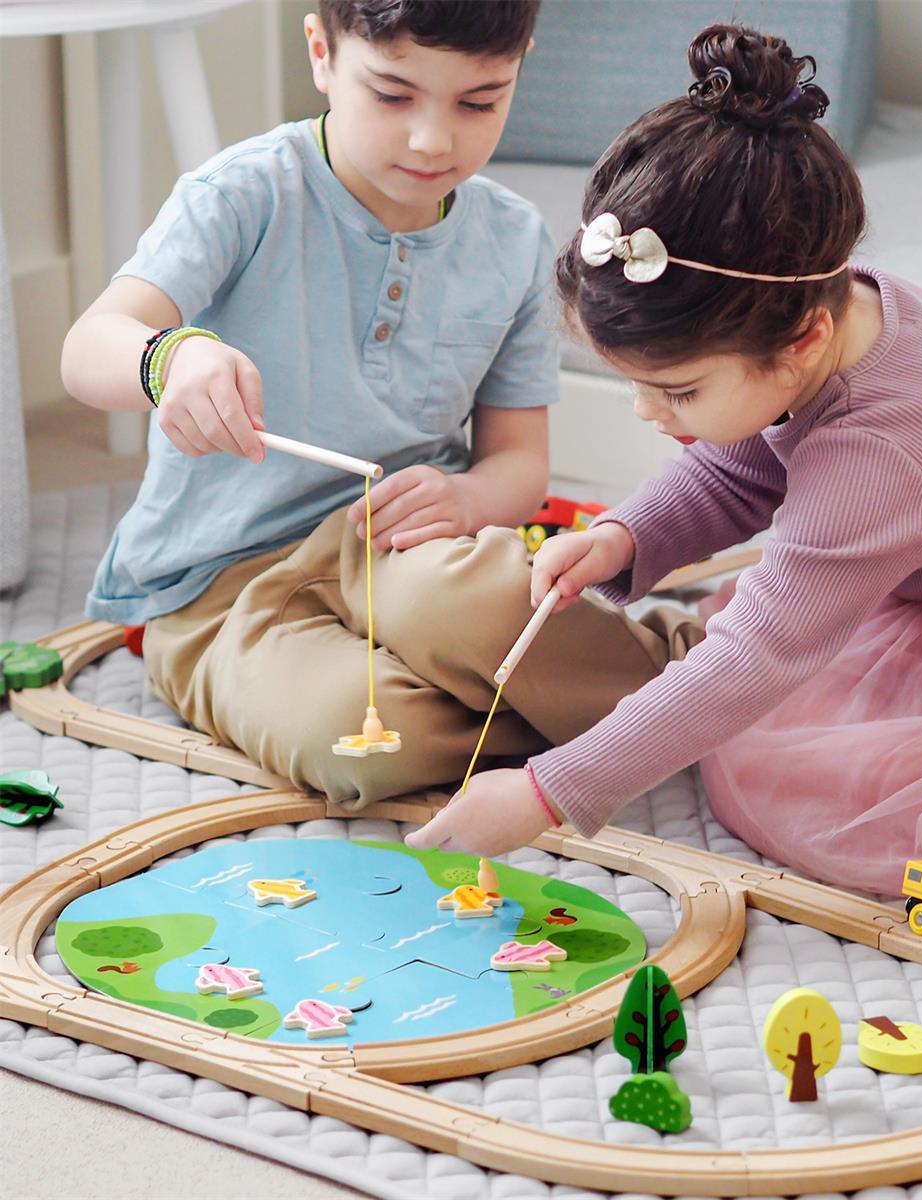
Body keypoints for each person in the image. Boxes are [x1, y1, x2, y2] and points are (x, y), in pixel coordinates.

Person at [406, 23, 922, 918]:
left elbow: (756, 657)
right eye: (638, 385)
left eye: (678, 390)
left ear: (801, 342)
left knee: (821, 792)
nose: (647, 414)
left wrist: (549, 792)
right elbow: (745, 467)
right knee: (772, 718)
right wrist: (625, 536)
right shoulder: (823, 304)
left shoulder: (875, 462)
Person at [58, 0, 563, 804]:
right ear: (321, 51)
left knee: (495, 604)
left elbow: (521, 464)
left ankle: (688, 674)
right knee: (351, 736)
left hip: (406, 558)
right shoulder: (240, 194)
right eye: (392, 95)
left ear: (521, 67)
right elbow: (89, 347)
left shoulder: (517, 239)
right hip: (218, 593)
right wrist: (168, 357)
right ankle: (613, 712)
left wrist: (468, 497)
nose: (432, 140)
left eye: (479, 102)